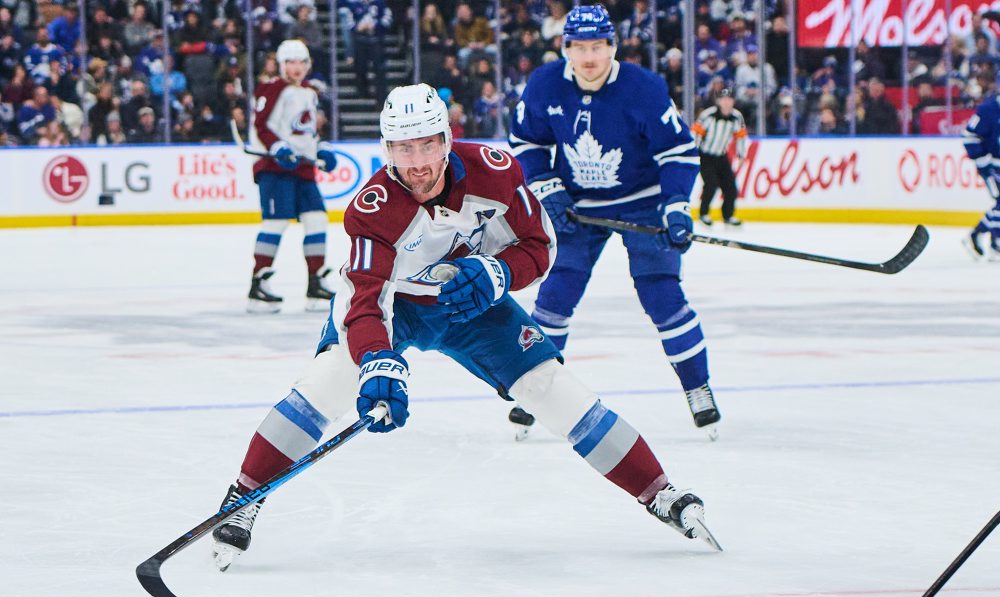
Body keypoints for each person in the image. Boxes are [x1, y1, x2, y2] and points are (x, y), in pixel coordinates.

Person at [208, 83, 720, 571]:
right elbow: (366, 300)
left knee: (549, 387)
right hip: (398, 307)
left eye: (427, 145)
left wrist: (499, 273)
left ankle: (660, 493)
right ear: (387, 149)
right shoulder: (373, 210)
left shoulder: (495, 173)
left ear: (447, 140)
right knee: (325, 385)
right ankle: (244, 496)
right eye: (403, 149)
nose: (417, 164)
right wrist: (377, 360)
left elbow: (538, 248)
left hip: (471, 303)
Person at [507, 3, 722, 441]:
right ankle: (533, 389)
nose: (590, 57)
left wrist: (677, 204)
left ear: (614, 46)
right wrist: (548, 189)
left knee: (662, 295)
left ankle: (697, 386)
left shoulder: (643, 88)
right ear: (564, 48)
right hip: (578, 207)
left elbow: (677, 152)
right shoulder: (545, 85)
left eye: (599, 46)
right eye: (580, 47)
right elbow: (525, 143)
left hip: (641, 203)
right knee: (555, 295)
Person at [246, 39, 339, 312]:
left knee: (317, 219)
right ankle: (258, 285)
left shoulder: (309, 92)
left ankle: (315, 282)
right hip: (275, 168)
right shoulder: (272, 89)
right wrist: (278, 148)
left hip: (302, 169)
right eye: (290, 62)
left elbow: (305, 132)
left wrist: (320, 149)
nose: (296, 68)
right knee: (275, 223)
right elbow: (261, 126)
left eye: (301, 62)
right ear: (281, 64)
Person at [691, 88, 747, 227]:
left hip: (722, 156)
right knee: (711, 184)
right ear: (718, 101)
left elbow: (740, 137)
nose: (727, 102)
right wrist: (693, 153)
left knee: (731, 187)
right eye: (723, 99)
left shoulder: (737, 117)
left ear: (733, 101)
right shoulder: (708, 115)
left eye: (729, 99)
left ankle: (728, 215)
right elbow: (696, 134)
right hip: (705, 155)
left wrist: (741, 155)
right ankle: (704, 213)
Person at [961, 91, 1000, 260]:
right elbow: (969, 136)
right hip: (993, 166)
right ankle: (994, 242)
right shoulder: (988, 109)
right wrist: (982, 160)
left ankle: (977, 235)